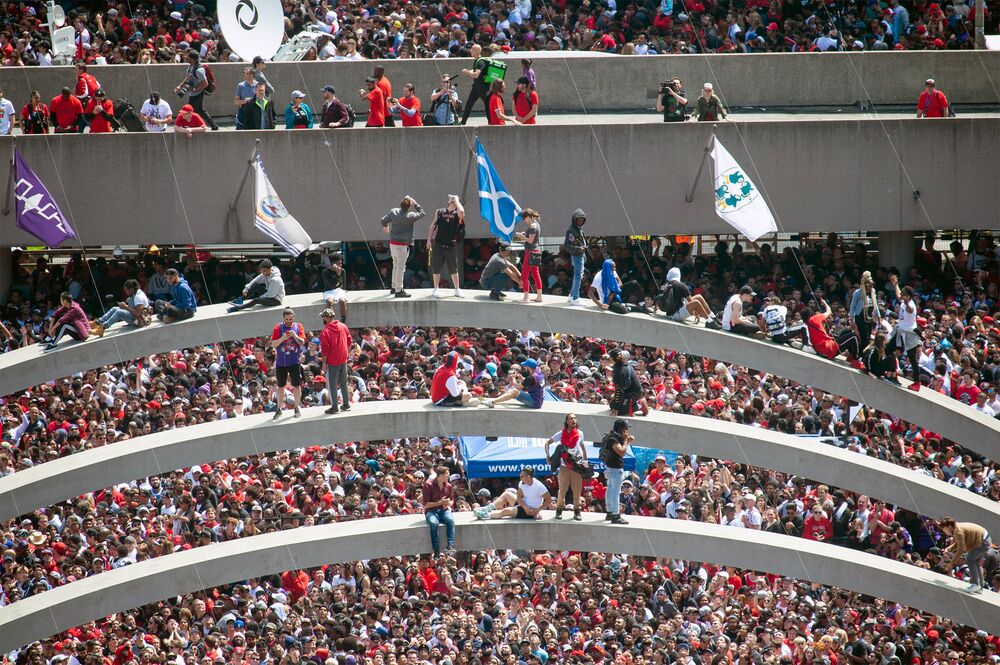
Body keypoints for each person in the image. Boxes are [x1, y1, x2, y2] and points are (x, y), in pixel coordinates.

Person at [544, 413, 587, 521]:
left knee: (577, 490)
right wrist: (548, 456)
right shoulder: (561, 433)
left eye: (575, 418)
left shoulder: (580, 433)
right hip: (564, 466)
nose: (574, 420)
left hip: (576, 466)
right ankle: (559, 510)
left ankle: (577, 511)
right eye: (571, 418)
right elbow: (547, 443)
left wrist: (585, 462)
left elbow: (583, 448)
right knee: (562, 490)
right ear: (567, 421)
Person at [380, 196, 425, 297]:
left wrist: (386, 226)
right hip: (402, 246)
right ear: (409, 207)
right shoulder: (411, 215)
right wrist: (415, 203)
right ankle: (398, 290)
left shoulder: (393, 211)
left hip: (393, 244)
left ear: (400, 204)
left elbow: (383, 220)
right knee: (400, 267)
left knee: (395, 265)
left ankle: (393, 287)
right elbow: (422, 213)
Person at [802, 298, 864, 369]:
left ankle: (851, 358)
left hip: (822, 349)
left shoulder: (806, 325)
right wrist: (825, 303)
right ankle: (857, 360)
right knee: (853, 336)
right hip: (828, 349)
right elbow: (829, 311)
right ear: (811, 314)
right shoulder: (813, 319)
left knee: (847, 332)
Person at [473, 468, 551, 520]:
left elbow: (548, 500)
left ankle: (485, 515)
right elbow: (519, 497)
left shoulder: (539, 486)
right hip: (524, 504)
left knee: (506, 511)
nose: (520, 478)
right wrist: (524, 506)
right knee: (507, 494)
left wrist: (537, 510)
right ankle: (488, 508)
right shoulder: (522, 483)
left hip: (531, 511)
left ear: (528, 477)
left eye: (521, 476)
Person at [938, 517, 992, 593]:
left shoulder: (958, 531)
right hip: (985, 539)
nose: (944, 530)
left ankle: (976, 584)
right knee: (976, 562)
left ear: (949, 526)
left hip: (982, 542)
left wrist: (951, 563)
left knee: (970, 560)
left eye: (944, 528)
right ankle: (980, 588)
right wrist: (949, 549)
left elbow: (961, 549)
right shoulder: (957, 528)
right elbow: (958, 544)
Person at [270, 308, 306, 420]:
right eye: (287, 319)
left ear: (293, 318)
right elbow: (273, 344)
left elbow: (302, 341)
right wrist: (283, 338)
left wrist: (294, 335)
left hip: (294, 361)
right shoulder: (278, 327)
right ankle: (279, 408)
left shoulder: (298, 326)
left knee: (296, 385)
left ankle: (296, 407)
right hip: (281, 362)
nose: (289, 321)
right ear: (283, 318)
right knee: (280, 386)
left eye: (291, 319)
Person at [888, 275, 922, 391]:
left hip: (909, 334)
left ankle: (917, 383)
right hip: (901, 332)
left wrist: (907, 302)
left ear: (908, 297)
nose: (900, 294)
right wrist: (895, 284)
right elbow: (898, 295)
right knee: (889, 349)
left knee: (912, 358)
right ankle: (892, 372)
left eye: (903, 293)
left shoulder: (910, 305)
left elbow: (910, 310)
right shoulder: (904, 300)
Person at [428, 195, 466, 298]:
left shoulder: (457, 213)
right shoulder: (440, 211)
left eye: (454, 199)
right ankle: (436, 288)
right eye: (452, 199)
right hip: (439, 245)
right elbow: (433, 225)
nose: (452, 200)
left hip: (451, 246)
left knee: (453, 268)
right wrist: (428, 240)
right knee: (436, 267)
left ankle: (457, 289)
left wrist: (457, 200)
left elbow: (462, 212)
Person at [319, 308, 352, 414]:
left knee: (332, 384)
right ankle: (346, 404)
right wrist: (346, 353)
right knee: (344, 383)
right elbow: (349, 340)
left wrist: (324, 364)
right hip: (343, 359)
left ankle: (335, 407)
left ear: (326, 317)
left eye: (323, 317)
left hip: (333, 361)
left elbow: (325, 350)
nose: (323, 318)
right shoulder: (343, 326)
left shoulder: (325, 332)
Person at [175, 51, 218, 131]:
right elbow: (188, 77)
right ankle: (214, 126)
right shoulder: (191, 67)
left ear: (192, 59)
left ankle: (188, 126)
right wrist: (180, 86)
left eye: (188, 56)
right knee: (200, 111)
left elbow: (205, 84)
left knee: (188, 111)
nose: (185, 57)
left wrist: (193, 89)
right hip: (193, 93)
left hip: (197, 94)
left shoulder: (199, 70)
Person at [601, 418, 633, 524]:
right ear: (621, 429)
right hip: (615, 469)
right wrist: (625, 440)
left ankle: (610, 511)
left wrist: (626, 440)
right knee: (615, 492)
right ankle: (615, 514)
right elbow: (621, 452)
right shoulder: (613, 439)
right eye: (625, 429)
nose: (627, 432)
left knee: (610, 489)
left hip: (610, 468)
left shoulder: (612, 436)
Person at [422, 466, 456, 557]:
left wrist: (448, 503)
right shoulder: (428, 485)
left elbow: (452, 500)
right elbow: (426, 504)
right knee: (434, 523)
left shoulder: (448, 486)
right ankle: (436, 549)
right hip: (431, 511)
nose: (448, 476)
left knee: (451, 521)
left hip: (443, 509)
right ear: (440, 475)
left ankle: (450, 545)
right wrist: (440, 502)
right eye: (447, 475)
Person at [514, 209, 543, 303]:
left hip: (530, 252)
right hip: (536, 251)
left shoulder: (533, 226)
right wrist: (524, 234)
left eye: (524, 219)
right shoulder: (536, 224)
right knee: (535, 274)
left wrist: (521, 236)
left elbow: (530, 240)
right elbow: (532, 239)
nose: (524, 221)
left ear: (527, 217)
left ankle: (526, 297)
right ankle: (539, 297)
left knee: (524, 275)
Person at [459, 44, 492, 124]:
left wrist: (466, 71)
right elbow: (474, 71)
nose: (470, 51)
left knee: (487, 106)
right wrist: (469, 71)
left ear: (477, 51)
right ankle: (463, 122)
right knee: (469, 104)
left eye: (472, 50)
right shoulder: (477, 60)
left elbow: (476, 75)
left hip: (483, 88)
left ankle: (491, 122)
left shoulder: (481, 61)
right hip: (476, 88)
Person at [610, 349, 647, 416]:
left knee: (620, 411)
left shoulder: (619, 371)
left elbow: (619, 391)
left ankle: (639, 405)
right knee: (612, 405)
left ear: (613, 359)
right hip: (626, 390)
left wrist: (616, 408)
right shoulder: (623, 363)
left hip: (634, 393)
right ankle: (630, 404)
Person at [849, 271, 881, 348]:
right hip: (860, 315)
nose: (871, 287)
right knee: (863, 336)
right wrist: (851, 318)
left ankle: (864, 353)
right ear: (866, 285)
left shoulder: (873, 291)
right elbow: (852, 306)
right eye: (870, 285)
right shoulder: (858, 292)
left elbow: (875, 304)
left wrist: (878, 316)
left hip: (869, 316)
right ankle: (861, 353)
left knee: (868, 336)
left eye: (872, 285)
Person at [564, 209, 588, 306]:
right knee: (578, 276)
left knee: (578, 276)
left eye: (582, 220)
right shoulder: (571, 230)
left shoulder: (578, 228)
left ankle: (572, 296)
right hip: (577, 256)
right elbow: (567, 245)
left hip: (580, 255)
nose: (580, 221)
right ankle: (575, 297)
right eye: (578, 220)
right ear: (574, 219)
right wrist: (579, 249)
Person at [321, 252, 349, 323]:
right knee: (330, 302)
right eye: (339, 263)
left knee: (342, 301)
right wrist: (337, 274)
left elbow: (344, 283)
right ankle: (330, 320)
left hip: (339, 290)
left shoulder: (342, 271)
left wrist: (344, 290)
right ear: (333, 264)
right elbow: (332, 285)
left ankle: (343, 320)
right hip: (328, 290)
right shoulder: (325, 272)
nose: (341, 265)